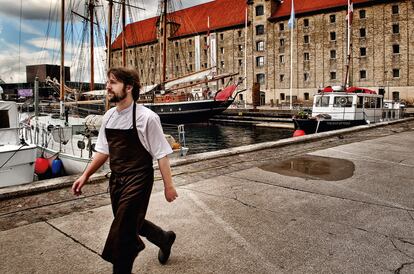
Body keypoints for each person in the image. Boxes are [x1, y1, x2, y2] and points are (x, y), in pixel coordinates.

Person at [72, 67, 178, 274]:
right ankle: (164, 239)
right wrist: (85, 175)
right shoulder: (109, 116)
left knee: (122, 236)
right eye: (108, 83)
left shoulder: (147, 118)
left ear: (128, 87)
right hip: (117, 180)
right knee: (130, 223)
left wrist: (169, 186)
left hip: (139, 180)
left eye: (113, 83)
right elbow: (103, 151)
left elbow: (161, 154)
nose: (107, 87)